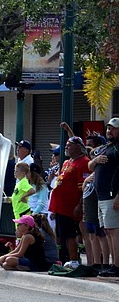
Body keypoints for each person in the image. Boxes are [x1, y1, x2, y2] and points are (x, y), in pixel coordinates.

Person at [48, 135, 89, 270]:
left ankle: (74, 260)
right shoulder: (67, 162)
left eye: (69, 145)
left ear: (78, 147)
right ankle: (66, 258)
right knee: (62, 235)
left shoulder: (83, 162)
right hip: (59, 206)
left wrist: (80, 204)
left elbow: (84, 187)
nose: (66, 147)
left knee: (70, 234)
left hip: (70, 207)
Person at [89, 118, 119, 277]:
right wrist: (96, 160)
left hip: (111, 195)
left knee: (114, 231)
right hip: (100, 196)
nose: (110, 131)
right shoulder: (106, 147)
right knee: (107, 231)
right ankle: (112, 264)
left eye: (113, 129)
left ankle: (117, 266)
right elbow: (90, 165)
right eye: (108, 129)